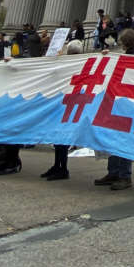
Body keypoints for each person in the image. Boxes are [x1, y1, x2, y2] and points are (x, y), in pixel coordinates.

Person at [94, 28, 134, 190]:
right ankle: (113, 171)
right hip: (118, 103)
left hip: (128, 105)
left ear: (127, 42)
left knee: (124, 141)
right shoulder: (127, 55)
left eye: (122, 41)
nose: (120, 44)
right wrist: (108, 58)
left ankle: (125, 176)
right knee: (114, 138)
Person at [42, 40, 87, 181]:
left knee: (61, 138)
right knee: (59, 138)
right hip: (68, 102)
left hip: (67, 102)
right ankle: (58, 166)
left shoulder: (72, 64)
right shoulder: (82, 63)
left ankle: (62, 168)